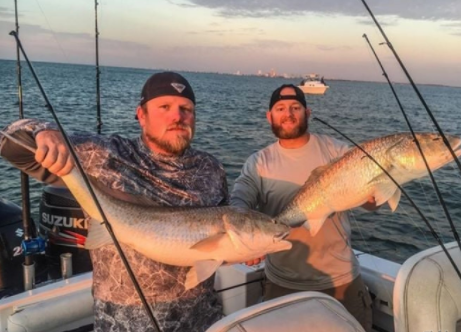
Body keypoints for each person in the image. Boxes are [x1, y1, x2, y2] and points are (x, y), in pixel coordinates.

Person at [0, 72, 227, 332]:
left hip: (202, 318)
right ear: (141, 115)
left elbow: (217, 241)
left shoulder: (212, 168)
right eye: (164, 107)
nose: (177, 116)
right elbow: (9, 141)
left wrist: (247, 249)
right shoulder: (104, 154)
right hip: (122, 320)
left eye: (186, 109)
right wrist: (45, 131)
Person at [230, 84, 374, 330]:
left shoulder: (337, 151)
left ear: (307, 112)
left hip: (342, 280)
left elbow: (371, 202)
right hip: (282, 283)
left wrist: (374, 194)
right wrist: (245, 238)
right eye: (281, 108)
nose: (289, 114)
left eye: (296, 107)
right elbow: (239, 201)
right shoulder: (259, 162)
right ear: (269, 116)